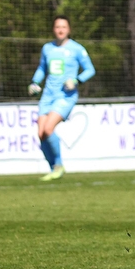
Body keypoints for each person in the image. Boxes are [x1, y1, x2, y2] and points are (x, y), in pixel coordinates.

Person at [28, 16, 95, 181]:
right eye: (57, 27)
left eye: (63, 27)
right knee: (41, 133)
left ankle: (58, 165)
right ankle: (53, 168)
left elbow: (90, 70)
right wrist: (35, 82)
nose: (60, 30)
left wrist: (76, 81)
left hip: (65, 96)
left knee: (48, 129)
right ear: (53, 29)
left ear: (69, 30)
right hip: (47, 95)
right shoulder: (47, 48)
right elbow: (42, 68)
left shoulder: (77, 49)